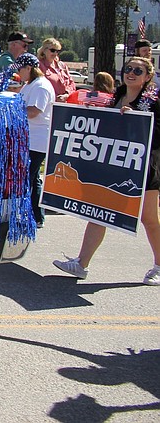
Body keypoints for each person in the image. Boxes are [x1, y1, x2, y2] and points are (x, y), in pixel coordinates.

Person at [53, 55, 160, 285]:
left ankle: (159, 265)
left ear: (148, 77)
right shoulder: (116, 97)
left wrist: (138, 119)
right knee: (98, 210)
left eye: (138, 71)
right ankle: (81, 263)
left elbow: (156, 132)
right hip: (115, 165)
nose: (131, 73)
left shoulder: (154, 101)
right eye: (128, 68)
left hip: (144, 167)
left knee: (149, 219)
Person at [15, 53, 53, 228]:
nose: (19, 73)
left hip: (37, 140)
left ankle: (26, 214)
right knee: (33, 177)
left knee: (27, 177)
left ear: (29, 68)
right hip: (28, 138)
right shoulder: (29, 85)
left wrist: (14, 110)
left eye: (20, 69)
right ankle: (37, 216)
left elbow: (34, 111)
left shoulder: (41, 86)